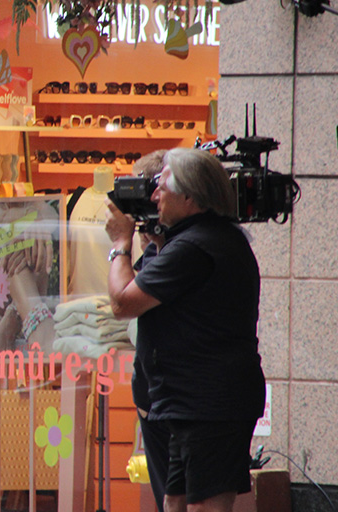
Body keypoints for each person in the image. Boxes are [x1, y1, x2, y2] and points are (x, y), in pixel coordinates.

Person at [105, 147, 264, 512]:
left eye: (162, 187)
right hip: (191, 403)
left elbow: (122, 303)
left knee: (203, 506)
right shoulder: (203, 239)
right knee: (174, 502)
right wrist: (157, 243)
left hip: (209, 404)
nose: (154, 196)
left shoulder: (195, 246)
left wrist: (120, 245)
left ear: (190, 197)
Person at [126, 149, 170, 512]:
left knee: (174, 496)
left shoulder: (173, 254)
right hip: (157, 399)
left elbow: (123, 302)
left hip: (166, 401)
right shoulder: (161, 252)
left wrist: (118, 247)